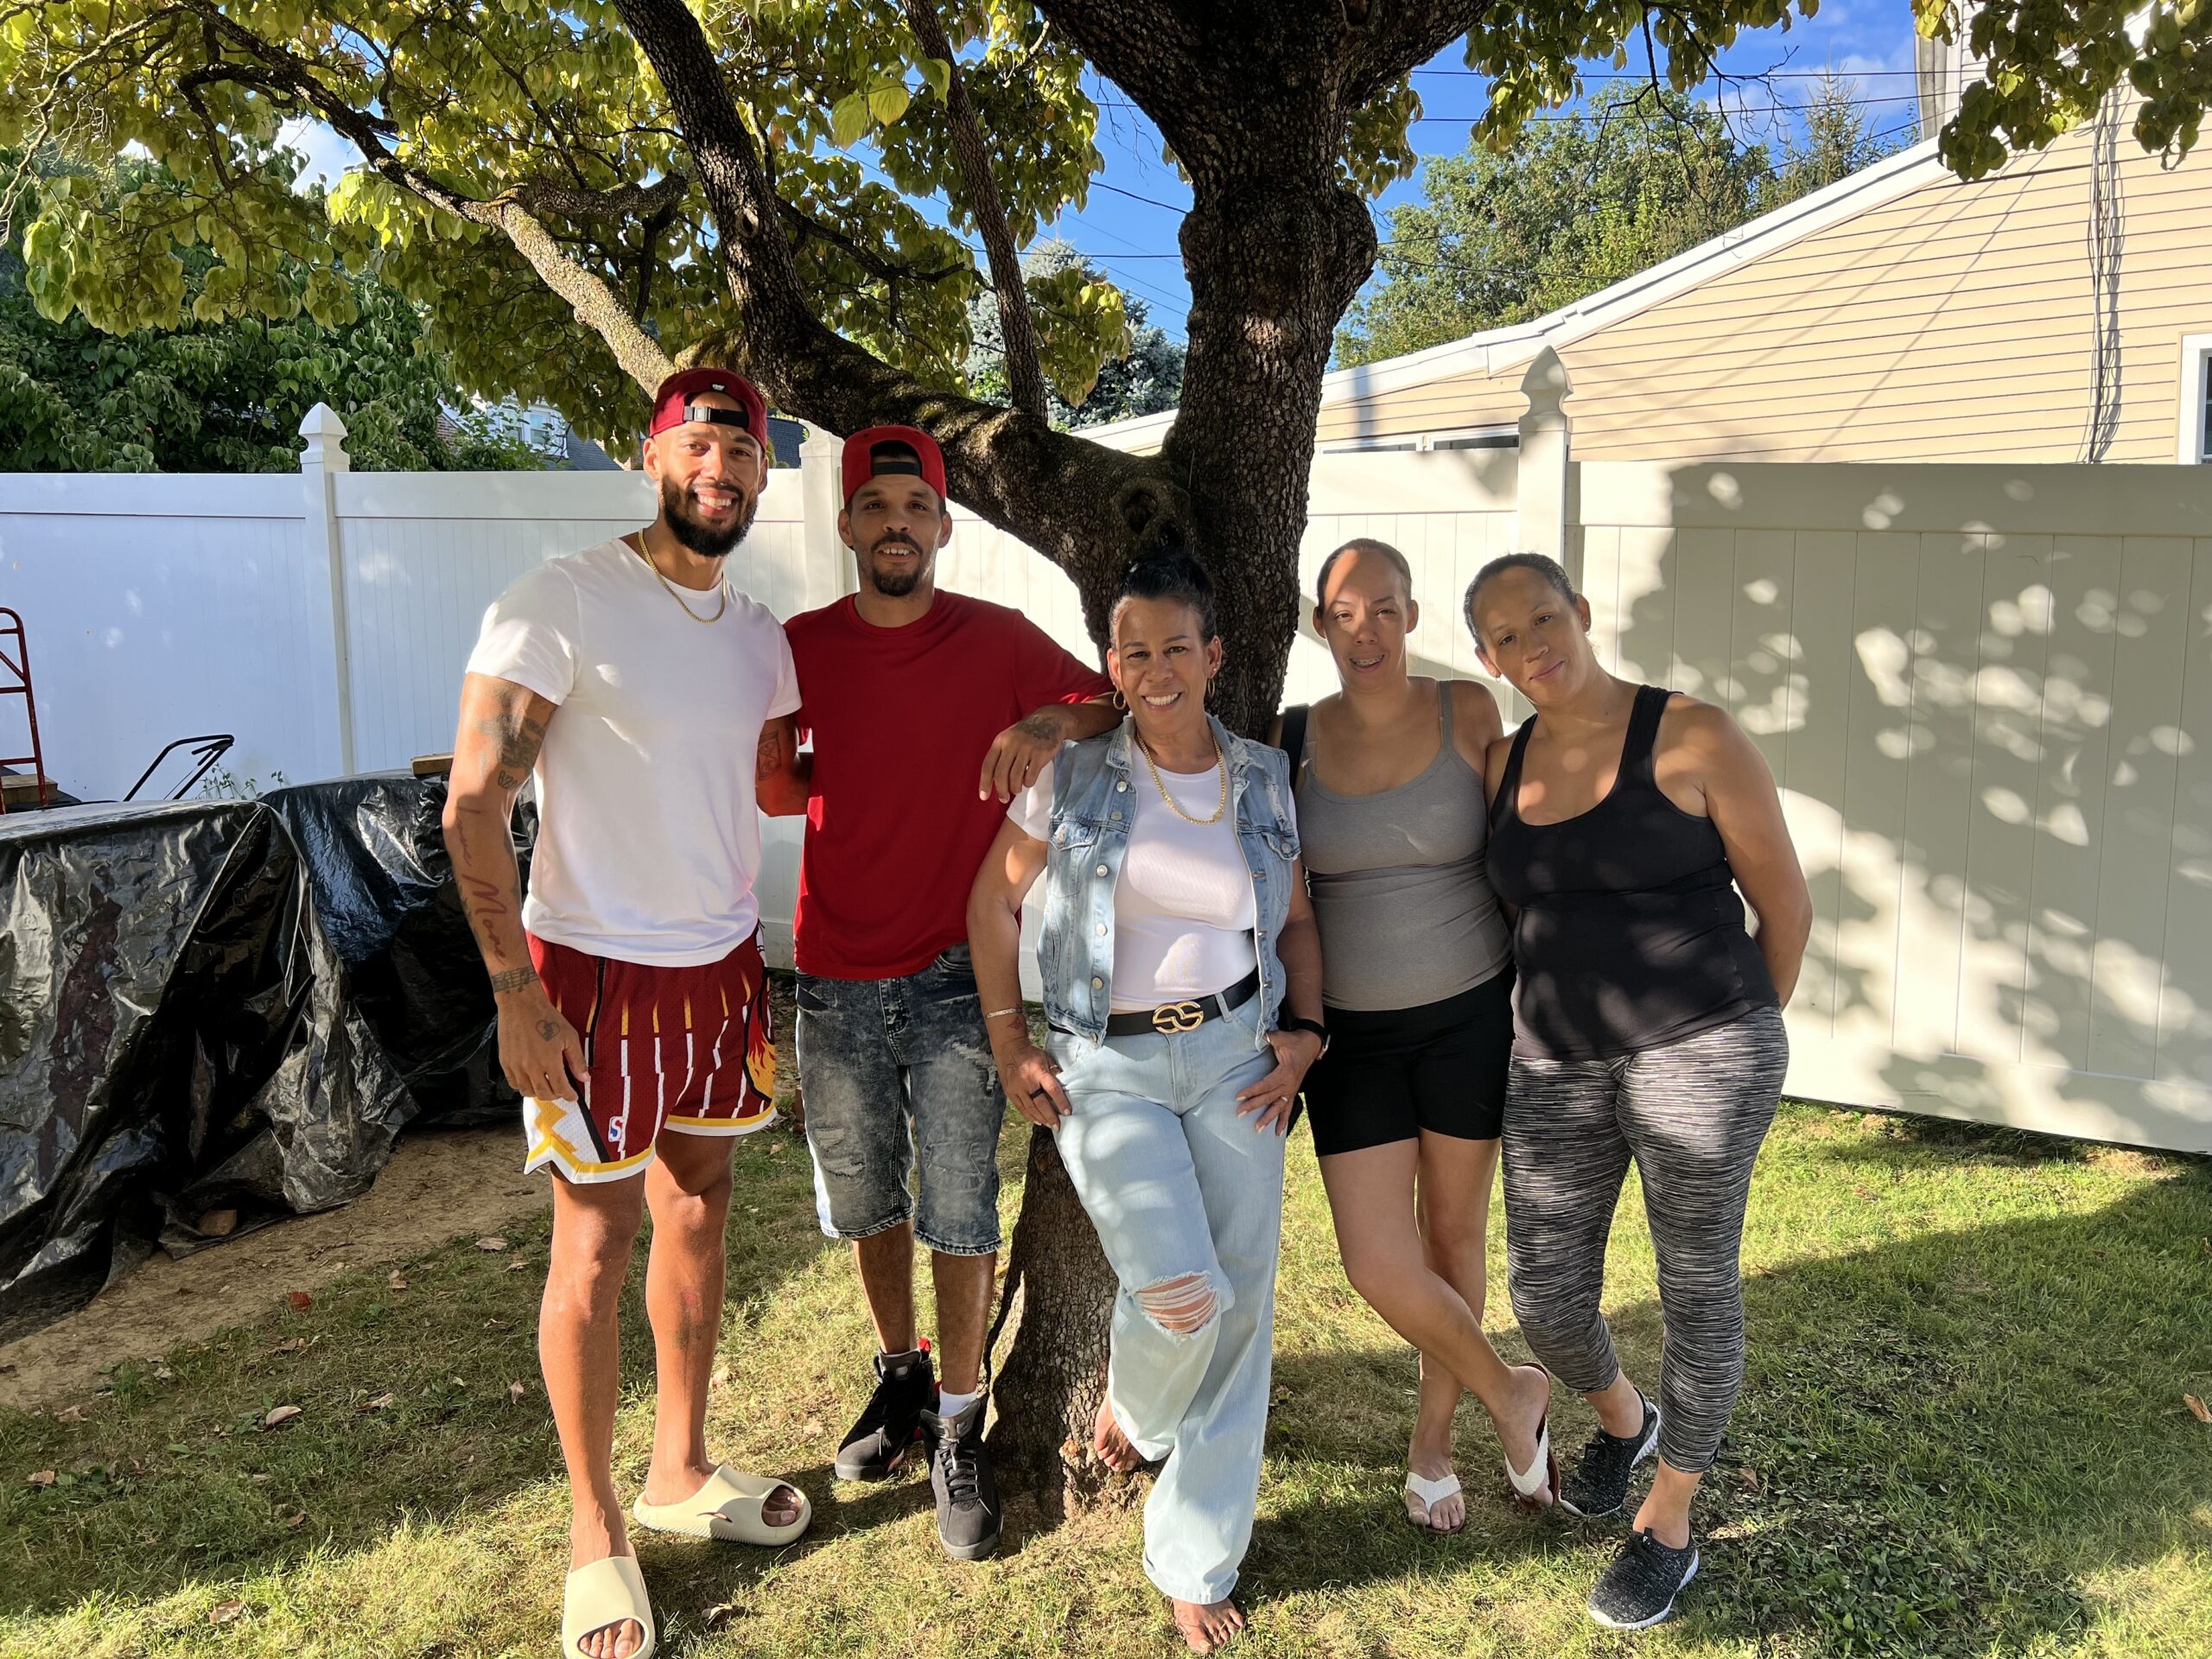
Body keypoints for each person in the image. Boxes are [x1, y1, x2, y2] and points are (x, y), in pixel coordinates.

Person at [443, 367, 810, 1659]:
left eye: (741, 452)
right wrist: (513, 991)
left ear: (765, 475)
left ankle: (678, 1469)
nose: (720, 469)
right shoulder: (562, 600)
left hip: (721, 968)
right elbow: (473, 803)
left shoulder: (760, 631)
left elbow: (777, 786)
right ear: (653, 457)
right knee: (590, 1251)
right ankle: (596, 1533)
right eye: (697, 444)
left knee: (701, 1202)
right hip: (589, 969)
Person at [757, 424, 1113, 1562]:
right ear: (850, 525)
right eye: (877, 507)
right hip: (832, 966)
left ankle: (962, 1423)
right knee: (864, 1199)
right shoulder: (802, 644)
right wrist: (835, 775)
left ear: (944, 527)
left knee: (959, 1203)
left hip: (963, 970)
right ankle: (903, 1381)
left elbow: (1108, 703)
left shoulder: (1000, 639)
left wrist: (1047, 719)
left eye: (917, 506)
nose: (897, 523)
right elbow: (773, 778)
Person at [967, 546, 1326, 1656]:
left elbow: (1299, 921)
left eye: (1178, 646)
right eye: (1136, 651)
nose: (1158, 667)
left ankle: (1195, 1555)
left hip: (1232, 1056)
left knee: (1243, 1309)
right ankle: (1144, 1404)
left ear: (1215, 654)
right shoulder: (1066, 773)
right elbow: (993, 908)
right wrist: (1009, 1040)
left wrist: (1307, 1037)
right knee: (1181, 1293)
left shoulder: (1265, 778)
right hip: (1105, 1066)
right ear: (1110, 665)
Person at [1466, 551, 1812, 1632]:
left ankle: (1668, 1521)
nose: (1534, 646)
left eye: (1545, 618)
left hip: (1700, 1047)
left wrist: (1737, 1034)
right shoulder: (1498, 762)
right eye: (1506, 637)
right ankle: (1627, 1422)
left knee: (1695, 1286)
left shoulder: (1692, 734)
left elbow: (1784, 908)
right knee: (1544, 1294)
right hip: (1556, 1058)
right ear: (1486, 657)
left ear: (1581, 609)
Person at [1272, 538, 1554, 1533]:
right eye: (1346, 612)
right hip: (1348, 1036)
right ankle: (1511, 1392)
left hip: (1468, 1016)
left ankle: (1432, 1447)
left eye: (1385, 608)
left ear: (1412, 615)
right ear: (1320, 624)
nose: (1367, 629)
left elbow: (1523, 854)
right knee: (1377, 1261)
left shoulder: (1465, 711)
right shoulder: (1291, 735)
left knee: (1451, 1236)